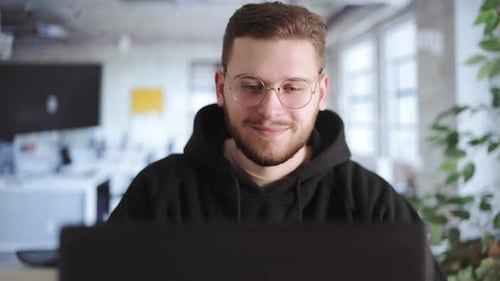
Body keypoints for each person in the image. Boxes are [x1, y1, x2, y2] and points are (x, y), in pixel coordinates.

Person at [108, 2, 445, 280]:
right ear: (221, 88)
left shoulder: (372, 205)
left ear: (321, 92)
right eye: (251, 86)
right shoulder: (159, 193)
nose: (270, 110)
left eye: (293, 87)